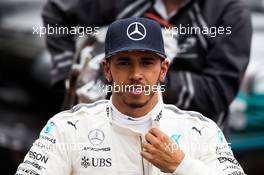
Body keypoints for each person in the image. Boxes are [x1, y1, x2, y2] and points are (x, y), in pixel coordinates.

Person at [16, 17, 245, 175]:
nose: (136, 74)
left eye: (146, 63)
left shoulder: (201, 131)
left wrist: (181, 166)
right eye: (124, 62)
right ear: (107, 69)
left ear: (163, 70)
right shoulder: (68, 128)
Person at [42, 0, 252, 130]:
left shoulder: (230, 12)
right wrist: (71, 77)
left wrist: (150, 83)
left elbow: (218, 91)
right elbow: (56, 12)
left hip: (189, 146)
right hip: (112, 138)